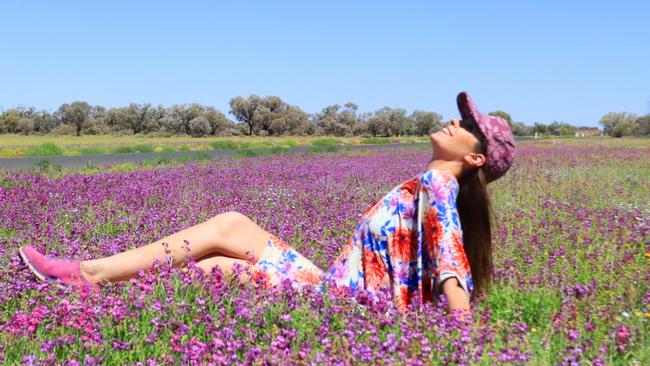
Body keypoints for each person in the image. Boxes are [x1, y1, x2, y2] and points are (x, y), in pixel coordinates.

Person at [19, 91, 515, 315]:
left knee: (212, 266)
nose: (455, 122)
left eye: (467, 126)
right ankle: (87, 281)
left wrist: (459, 337)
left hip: (343, 309)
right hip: (332, 289)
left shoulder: (441, 188)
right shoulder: (426, 182)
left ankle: (85, 288)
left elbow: (451, 260)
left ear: (474, 157)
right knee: (230, 227)